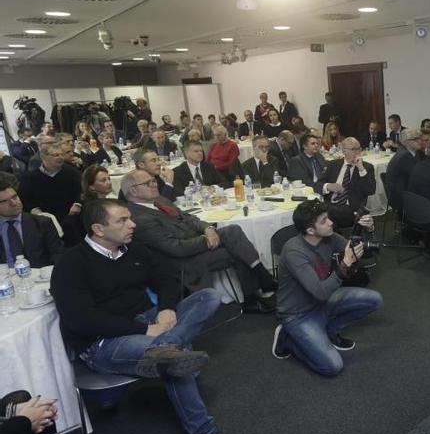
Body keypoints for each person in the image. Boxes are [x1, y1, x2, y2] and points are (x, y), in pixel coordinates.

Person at [51, 199, 240, 434]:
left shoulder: (134, 250)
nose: (132, 224)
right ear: (98, 229)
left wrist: (165, 309)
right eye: (122, 221)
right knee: (174, 363)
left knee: (209, 297)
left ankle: (167, 347)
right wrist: (143, 329)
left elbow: (168, 278)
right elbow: (81, 320)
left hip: (149, 321)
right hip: (103, 341)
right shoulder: (71, 264)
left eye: (130, 218)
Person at [123, 171, 277, 313]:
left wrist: (208, 229)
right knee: (234, 248)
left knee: (233, 232)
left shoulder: (160, 200)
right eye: (147, 183)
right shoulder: (139, 218)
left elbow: (189, 217)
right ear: (133, 191)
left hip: (195, 243)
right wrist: (205, 239)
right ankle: (256, 290)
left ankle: (258, 286)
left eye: (153, 180)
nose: (154, 184)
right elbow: (175, 248)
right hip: (182, 261)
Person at [272, 199, 383, 375]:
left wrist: (368, 230)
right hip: (297, 314)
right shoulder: (294, 251)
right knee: (332, 366)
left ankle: (330, 330)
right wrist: (345, 264)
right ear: (310, 230)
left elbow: (363, 254)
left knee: (375, 299)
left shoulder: (329, 237)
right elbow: (321, 292)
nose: (331, 222)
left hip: (322, 302)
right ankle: (288, 339)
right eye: (324, 220)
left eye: (328, 217)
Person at [313, 137, 376, 228]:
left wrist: (361, 169)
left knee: (331, 216)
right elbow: (317, 185)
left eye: (359, 149)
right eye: (353, 149)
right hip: (331, 204)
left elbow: (371, 190)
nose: (357, 152)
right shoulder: (333, 164)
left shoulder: (367, 167)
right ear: (344, 151)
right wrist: (328, 186)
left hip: (351, 207)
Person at [0, 180, 64, 268]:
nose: (14, 203)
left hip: (40, 278)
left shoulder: (42, 223)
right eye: (4, 201)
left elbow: (58, 255)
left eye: (15, 197)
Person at [19, 141, 82, 227]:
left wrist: (77, 204)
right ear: (43, 157)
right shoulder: (30, 177)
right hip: (44, 221)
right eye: (56, 155)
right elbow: (25, 198)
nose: (60, 157)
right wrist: (34, 210)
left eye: (61, 155)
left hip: (71, 217)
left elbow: (82, 191)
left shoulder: (71, 172)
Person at [65, 164, 115, 245]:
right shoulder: (90, 207)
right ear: (91, 187)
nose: (109, 183)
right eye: (103, 180)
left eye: (109, 178)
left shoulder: (103, 200)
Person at [385, 128, 425, 214]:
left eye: (419, 138)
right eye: (416, 139)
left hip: (405, 191)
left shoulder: (413, 152)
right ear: (406, 142)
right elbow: (419, 176)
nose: (420, 141)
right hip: (401, 198)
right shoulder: (405, 156)